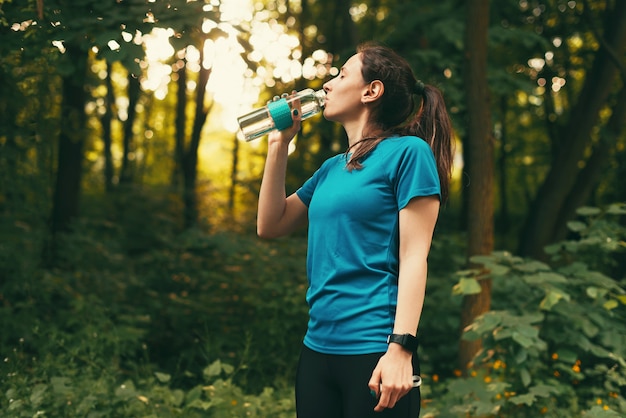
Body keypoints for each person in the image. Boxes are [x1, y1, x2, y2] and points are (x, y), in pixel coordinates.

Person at [256, 42, 454, 418]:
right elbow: (271, 225)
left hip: (375, 351)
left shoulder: (408, 153)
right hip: (317, 350)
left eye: (341, 74)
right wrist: (278, 144)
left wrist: (401, 350)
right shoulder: (331, 169)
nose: (327, 85)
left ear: (371, 91)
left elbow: (415, 257)